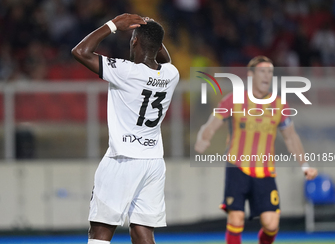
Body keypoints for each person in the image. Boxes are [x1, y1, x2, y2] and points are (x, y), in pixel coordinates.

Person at [72, 13, 179, 244]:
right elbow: (163, 56)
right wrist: (151, 28)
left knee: (100, 233)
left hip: (122, 160)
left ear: (134, 42)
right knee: (143, 233)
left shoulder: (125, 71)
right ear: (159, 45)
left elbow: (80, 52)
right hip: (153, 162)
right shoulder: (171, 74)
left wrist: (112, 25)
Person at [194, 56, 318, 244]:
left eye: (270, 72)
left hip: (265, 171)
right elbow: (212, 124)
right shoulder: (234, 100)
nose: (267, 76)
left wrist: (304, 166)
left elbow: (291, 137)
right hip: (237, 167)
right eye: (262, 71)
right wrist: (204, 138)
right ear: (251, 75)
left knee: (271, 225)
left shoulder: (279, 105)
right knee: (236, 219)